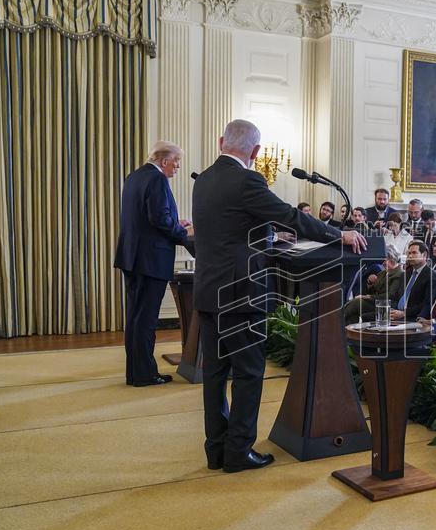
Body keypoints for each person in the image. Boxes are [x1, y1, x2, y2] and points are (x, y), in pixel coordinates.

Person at [192, 119, 366, 473]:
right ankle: (239, 452)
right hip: (240, 293)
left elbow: (230, 229)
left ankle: (216, 449)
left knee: (215, 373)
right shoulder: (247, 179)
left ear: (220, 141)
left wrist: (268, 239)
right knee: (248, 373)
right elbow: (290, 216)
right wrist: (339, 236)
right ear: (255, 152)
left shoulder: (205, 178)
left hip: (209, 290)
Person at [114, 141, 193, 388]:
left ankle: (135, 373)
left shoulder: (135, 176)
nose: (178, 167)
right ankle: (146, 375)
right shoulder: (157, 180)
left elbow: (146, 217)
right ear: (164, 160)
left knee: (135, 317)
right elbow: (158, 219)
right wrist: (185, 235)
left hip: (132, 256)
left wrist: (175, 221)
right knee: (146, 319)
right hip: (151, 259)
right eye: (176, 161)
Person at [344, 246, 405, 323]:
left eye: (385, 259)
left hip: (387, 304)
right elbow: (373, 290)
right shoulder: (382, 273)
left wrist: (368, 297)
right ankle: (346, 331)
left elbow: (390, 295)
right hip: (376, 301)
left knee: (357, 303)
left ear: (392, 259)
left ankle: (337, 321)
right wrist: (370, 283)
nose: (382, 262)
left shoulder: (400, 274)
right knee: (353, 314)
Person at [390, 240, 434, 323]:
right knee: (368, 317)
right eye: (409, 253)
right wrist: (392, 309)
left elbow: (426, 304)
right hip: (396, 313)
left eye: (414, 253)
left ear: (424, 255)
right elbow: (396, 296)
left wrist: (403, 313)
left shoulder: (431, 276)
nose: (410, 256)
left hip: (413, 317)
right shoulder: (406, 274)